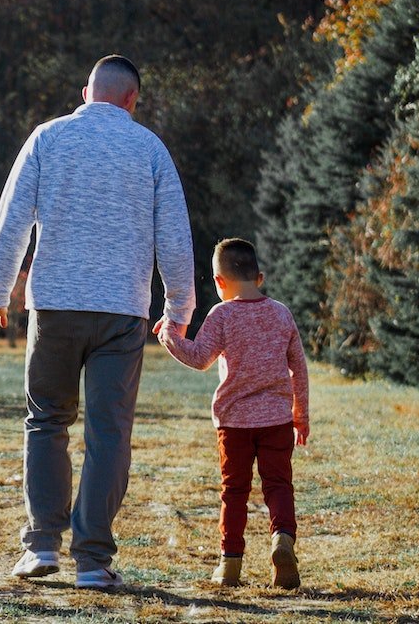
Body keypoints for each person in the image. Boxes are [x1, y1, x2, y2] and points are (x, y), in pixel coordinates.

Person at [0, 55, 195, 589]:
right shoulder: (149, 149)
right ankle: (93, 561)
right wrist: (179, 312)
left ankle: (42, 546)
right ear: (131, 99)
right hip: (122, 312)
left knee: (47, 421)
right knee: (109, 433)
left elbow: (10, 224)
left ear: (84, 93)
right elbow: (175, 238)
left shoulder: (48, 138)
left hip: (54, 307)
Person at [156, 237, 308, 589]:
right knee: (279, 485)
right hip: (277, 420)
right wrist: (301, 414)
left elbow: (199, 358)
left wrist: (168, 335)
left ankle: (229, 564)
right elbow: (298, 367)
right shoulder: (281, 313)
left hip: (234, 423)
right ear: (260, 277)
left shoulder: (221, 314)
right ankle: (283, 539)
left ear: (220, 282)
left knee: (234, 490)